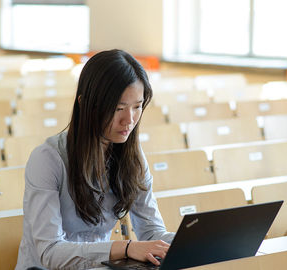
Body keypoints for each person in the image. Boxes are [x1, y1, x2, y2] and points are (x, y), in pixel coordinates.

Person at [15, 49, 174, 270]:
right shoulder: (47, 159)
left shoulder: (132, 157)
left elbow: (152, 232)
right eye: (118, 108)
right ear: (86, 103)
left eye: (137, 107)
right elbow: (50, 253)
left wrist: (190, 241)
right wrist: (126, 248)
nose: (129, 120)